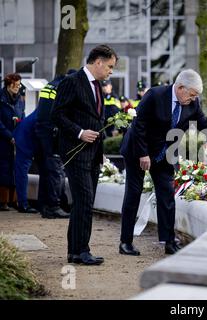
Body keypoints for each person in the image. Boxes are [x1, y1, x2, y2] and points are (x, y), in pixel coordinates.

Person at [119, 69, 207, 256]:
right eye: (192, 94)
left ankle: (169, 241)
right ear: (180, 88)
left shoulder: (192, 104)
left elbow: (205, 125)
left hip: (164, 154)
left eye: (196, 96)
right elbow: (138, 125)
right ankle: (126, 242)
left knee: (166, 194)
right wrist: (143, 154)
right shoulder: (155, 95)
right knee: (133, 193)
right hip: (137, 150)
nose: (194, 99)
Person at [52, 44, 118, 265]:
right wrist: (79, 132)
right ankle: (82, 251)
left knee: (83, 201)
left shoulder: (97, 85)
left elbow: (94, 117)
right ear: (98, 61)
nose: (111, 71)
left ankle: (75, 251)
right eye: (109, 66)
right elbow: (57, 115)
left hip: (93, 153)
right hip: (75, 151)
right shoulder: (71, 82)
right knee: (85, 200)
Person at [35, 70, 75, 219]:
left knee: (46, 170)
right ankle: (54, 206)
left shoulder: (50, 85)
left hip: (42, 131)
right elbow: (60, 113)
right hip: (52, 132)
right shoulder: (62, 87)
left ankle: (44, 206)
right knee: (56, 170)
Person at [0, 73, 25, 211]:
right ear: (9, 86)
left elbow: (23, 115)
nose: (18, 87)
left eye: (19, 85)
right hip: (3, 139)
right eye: (16, 85)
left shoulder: (20, 99)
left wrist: (20, 133)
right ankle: (3, 201)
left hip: (17, 138)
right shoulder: (1, 99)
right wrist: (9, 135)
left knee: (15, 168)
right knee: (3, 168)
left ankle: (14, 200)